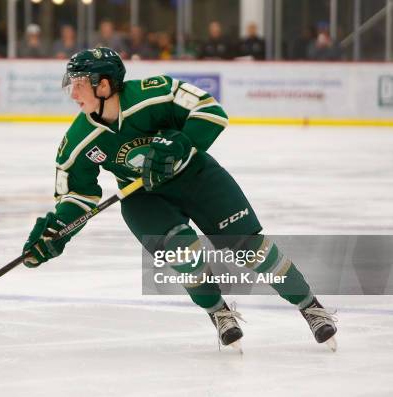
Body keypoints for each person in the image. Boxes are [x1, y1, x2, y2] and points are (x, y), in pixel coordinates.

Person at [21, 47, 338, 350]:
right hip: (143, 195)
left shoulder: (152, 93)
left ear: (103, 85)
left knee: (252, 250)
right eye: (71, 85)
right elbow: (78, 193)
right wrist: (58, 229)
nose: (73, 94)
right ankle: (219, 313)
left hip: (196, 176)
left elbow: (211, 111)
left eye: (79, 85)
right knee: (183, 254)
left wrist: (183, 142)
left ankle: (311, 306)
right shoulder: (78, 140)